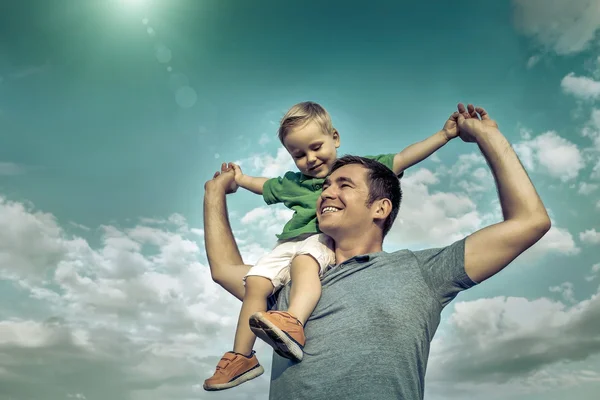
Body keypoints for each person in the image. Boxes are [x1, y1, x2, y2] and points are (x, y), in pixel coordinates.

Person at [203, 103, 551, 399]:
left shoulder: (422, 272)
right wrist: (215, 192)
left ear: (380, 208)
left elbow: (529, 221)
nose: (325, 192)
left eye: (344, 184)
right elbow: (224, 269)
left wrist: (485, 135)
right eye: (324, 187)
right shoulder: (290, 283)